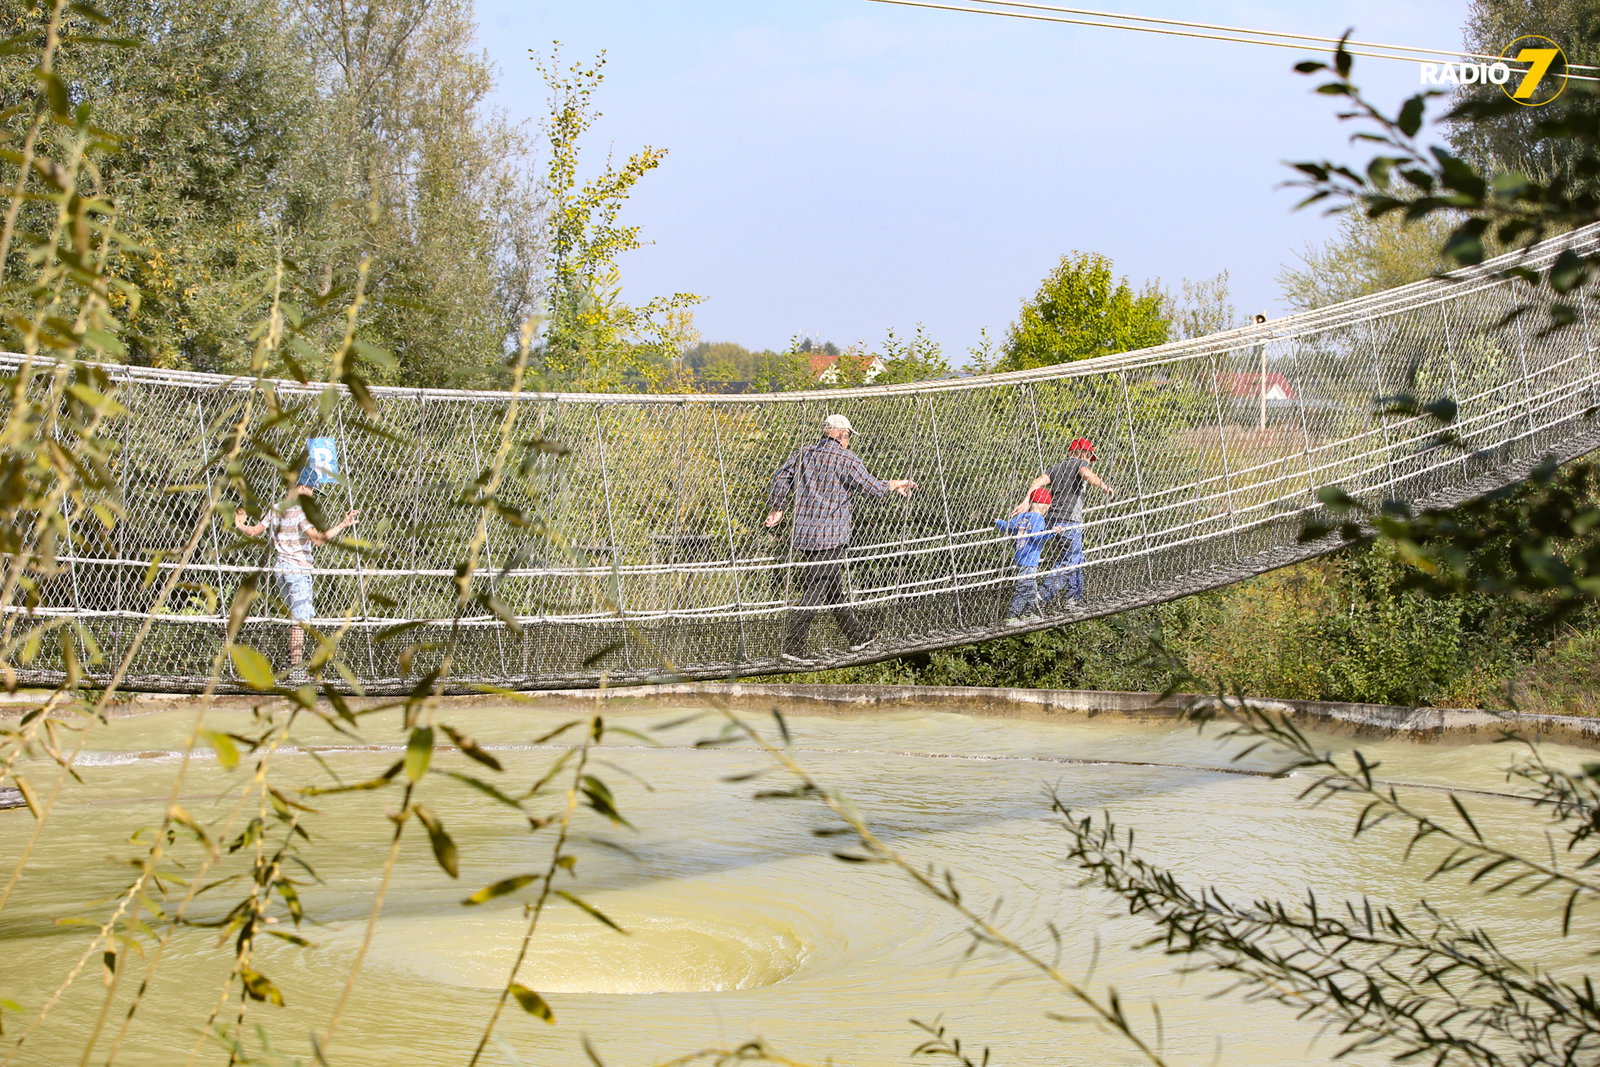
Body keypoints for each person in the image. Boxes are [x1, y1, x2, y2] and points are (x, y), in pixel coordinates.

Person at [765, 413, 916, 662]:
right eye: (847, 437)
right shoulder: (847, 459)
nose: (848, 441)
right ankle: (792, 646)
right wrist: (897, 484)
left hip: (805, 533)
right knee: (816, 588)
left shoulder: (803, 453)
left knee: (832, 586)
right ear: (842, 434)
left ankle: (856, 636)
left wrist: (778, 506)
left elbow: (781, 476)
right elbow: (872, 489)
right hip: (832, 535)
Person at [234, 470, 359, 675]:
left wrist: (240, 524)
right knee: (300, 621)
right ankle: (295, 668)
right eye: (311, 489)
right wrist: (343, 524)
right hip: (298, 569)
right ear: (301, 487)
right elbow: (317, 540)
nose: (312, 494)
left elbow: (255, 530)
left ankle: (291, 660)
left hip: (280, 569)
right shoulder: (302, 511)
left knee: (295, 617)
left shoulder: (275, 508)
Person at [1012, 437, 1114, 605]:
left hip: (1052, 518)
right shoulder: (1080, 464)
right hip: (1069, 520)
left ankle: (1073, 600)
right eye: (1089, 457)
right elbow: (1087, 474)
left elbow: (1038, 482)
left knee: (1078, 559)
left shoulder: (1057, 468)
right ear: (1082, 454)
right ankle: (1044, 594)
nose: (1090, 461)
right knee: (1071, 559)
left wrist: (1026, 500)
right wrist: (1104, 486)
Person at [995, 487, 1061, 625]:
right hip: (1030, 559)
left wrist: (997, 522)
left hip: (1019, 557)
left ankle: (1028, 614)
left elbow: (1009, 527)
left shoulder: (1021, 517)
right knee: (1025, 587)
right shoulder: (1038, 519)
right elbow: (1038, 537)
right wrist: (1053, 532)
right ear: (1045, 506)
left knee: (1030, 587)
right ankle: (1012, 616)